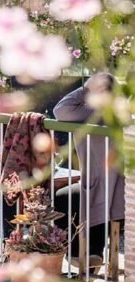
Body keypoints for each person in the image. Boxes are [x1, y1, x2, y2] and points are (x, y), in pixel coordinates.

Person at [53, 72, 125, 267]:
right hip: (121, 190)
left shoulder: (90, 115)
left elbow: (59, 110)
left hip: (105, 187)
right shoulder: (119, 113)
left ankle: (80, 252)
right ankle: (92, 253)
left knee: (64, 198)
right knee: (82, 196)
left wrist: (85, 88)